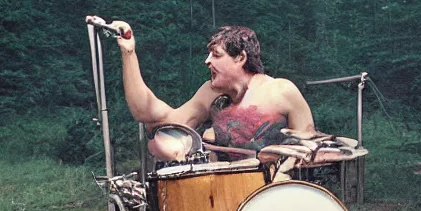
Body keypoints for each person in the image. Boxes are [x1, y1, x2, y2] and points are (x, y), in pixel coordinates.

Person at [86, 17, 316, 157]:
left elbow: (311, 152)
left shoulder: (282, 92)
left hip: (274, 200)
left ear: (240, 58)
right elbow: (148, 114)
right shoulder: (211, 93)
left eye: (216, 55)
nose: (207, 61)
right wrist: (128, 52)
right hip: (225, 203)